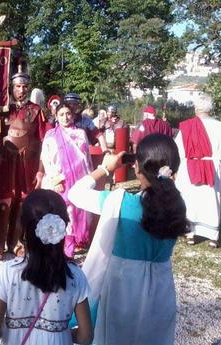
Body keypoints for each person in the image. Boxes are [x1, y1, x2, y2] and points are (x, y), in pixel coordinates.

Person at [68, 134, 189, 345]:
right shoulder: (177, 205)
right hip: (161, 289)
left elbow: (75, 193)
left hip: (123, 287)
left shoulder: (121, 202)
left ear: (137, 168)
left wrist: (106, 168)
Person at [0, 189, 93, 345]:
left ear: (23, 227)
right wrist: (63, 333)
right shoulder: (75, 276)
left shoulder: (8, 273)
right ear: (62, 227)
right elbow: (86, 336)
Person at [0, 68, 50, 261]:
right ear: (12, 88)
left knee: (23, 201)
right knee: (3, 201)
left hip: (27, 164)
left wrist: (41, 169)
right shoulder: (1, 109)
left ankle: (16, 241)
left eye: (25, 86)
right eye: (18, 86)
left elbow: (46, 141)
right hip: (4, 163)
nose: (22, 90)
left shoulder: (36, 111)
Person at [39, 103, 92, 257]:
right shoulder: (50, 135)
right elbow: (46, 158)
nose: (65, 117)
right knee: (63, 211)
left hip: (79, 179)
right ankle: (65, 246)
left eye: (68, 113)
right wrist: (55, 179)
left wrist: (89, 178)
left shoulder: (81, 134)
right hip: (60, 180)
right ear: (56, 117)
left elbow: (86, 158)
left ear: (73, 115)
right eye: (61, 114)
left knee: (78, 210)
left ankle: (76, 241)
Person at [175, 95, 221, 248]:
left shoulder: (186, 126)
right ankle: (212, 237)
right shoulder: (219, 126)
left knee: (190, 199)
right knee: (211, 200)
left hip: (189, 166)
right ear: (210, 109)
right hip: (212, 166)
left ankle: (190, 234)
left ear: (196, 109)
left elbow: (179, 150)